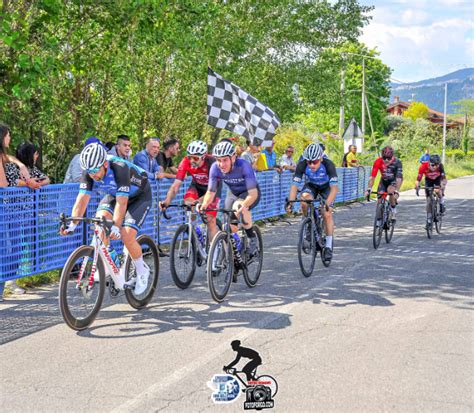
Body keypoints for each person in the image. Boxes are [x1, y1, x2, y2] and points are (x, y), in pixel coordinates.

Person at [60, 143, 152, 294]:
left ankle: (142, 271)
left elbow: (122, 203)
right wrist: (72, 224)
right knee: (99, 222)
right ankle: (110, 258)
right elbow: (82, 199)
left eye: (96, 171)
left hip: (139, 197)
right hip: (115, 194)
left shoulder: (119, 168)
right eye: (89, 172)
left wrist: (116, 226)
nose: (93, 175)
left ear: (105, 164)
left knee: (126, 235)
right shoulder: (90, 170)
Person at [198, 140, 260, 256]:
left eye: (225, 160)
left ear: (233, 157)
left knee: (238, 207)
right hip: (233, 193)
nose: (222, 164)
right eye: (218, 160)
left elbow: (253, 194)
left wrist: (242, 206)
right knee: (228, 226)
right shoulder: (215, 168)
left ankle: (252, 238)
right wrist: (204, 205)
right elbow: (211, 192)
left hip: (250, 192)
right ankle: (233, 257)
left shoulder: (243, 165)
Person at [1, 125, 41, 297]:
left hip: (8, 212)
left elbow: (10, 160)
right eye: (8, 135)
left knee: (12, 248)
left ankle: (7, 283)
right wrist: (26, 182)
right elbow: (3, 184)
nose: (10, 138)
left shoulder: (5, 157)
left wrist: (20, 166)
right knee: (8, 249)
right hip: (5, 211)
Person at [286, 143, 338, 261]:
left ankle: (328, 246)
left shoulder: (328, 164)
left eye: (315, 162)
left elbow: (334, 189)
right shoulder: (302, 164)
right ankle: (308, 222)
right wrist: (291, 202)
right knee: (304, 200)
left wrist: (327, 204)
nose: (312, 165)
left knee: (326, 213)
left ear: (320, 158)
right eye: (309, 162)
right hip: (312, 186)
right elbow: (294, 185)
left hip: (326, 187)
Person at [160, 140, 221, 241]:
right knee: (188, 204)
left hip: (212, 190)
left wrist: (200, 201)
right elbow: (175, 186)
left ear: (203, 156)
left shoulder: (212, 163)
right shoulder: (185, 162)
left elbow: (211, 191)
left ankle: (214, 254)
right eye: (190, 157)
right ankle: (195, 231)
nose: (192, 160)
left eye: (195, 158)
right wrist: (167, 201)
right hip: (197, 186)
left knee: (210, 220)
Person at [365, 146, 403, 221]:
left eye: (388, 158)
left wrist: (397, 191)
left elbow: (399, 178)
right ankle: (379, 221)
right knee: (379, 201)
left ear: (392, 157)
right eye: (384, 158)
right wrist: (369, 189)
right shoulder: (378, 161)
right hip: (383, 180)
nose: (386, 160)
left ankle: (393, 209)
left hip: (394, 180)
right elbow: (372, 177)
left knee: (390, 191)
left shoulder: (397, 162)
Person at [415, 154, 447, 220]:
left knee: (437, 190)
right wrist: (417, 186)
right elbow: (418, 179)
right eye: (433, 165)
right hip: (428, 179)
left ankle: (441, 203)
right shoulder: (423, 166)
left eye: (437, 165)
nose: (435, 167)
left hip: (437, 178)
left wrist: (443, 185)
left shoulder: (440, 166)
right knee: (428, 199)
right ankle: (429, 217)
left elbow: (444, 179)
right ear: (429, 163)